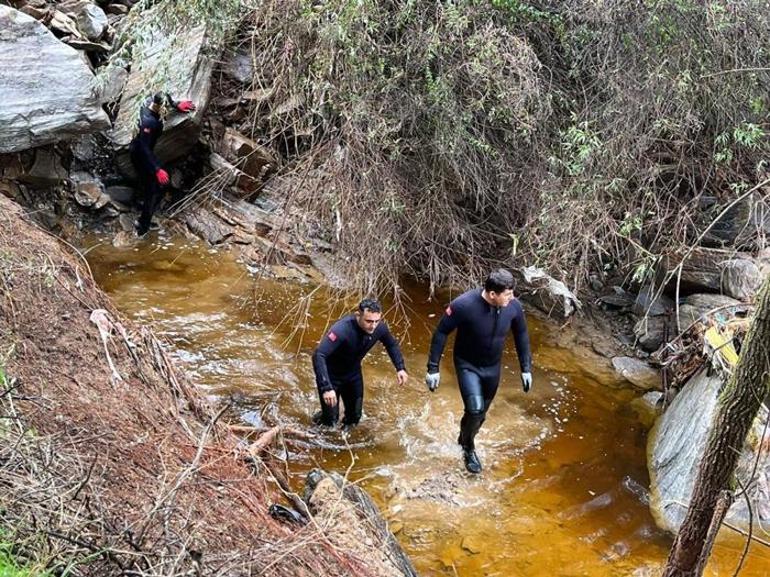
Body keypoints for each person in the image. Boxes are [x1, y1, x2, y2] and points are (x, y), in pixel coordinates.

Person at [425, 269, 533, 474]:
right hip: (468, 365)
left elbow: (521, 334)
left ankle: (463, 438)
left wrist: (526, 368)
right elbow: (441, 332)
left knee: (480, 415)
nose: (512, 297)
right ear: (493, 294)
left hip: (492, 368)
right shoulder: (464, 305)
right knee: (474, 409)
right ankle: (468, 449)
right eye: (507, 294)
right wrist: (433, 368)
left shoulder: (513, 307)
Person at [312, 298, 408, 428]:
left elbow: (391, 344)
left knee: (354, 417)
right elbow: (319, 355)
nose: (373, 326)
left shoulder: (379, 328)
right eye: (369, 321)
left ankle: (345, 438)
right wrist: (326, 388)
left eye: (376, 321)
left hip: (353, 375)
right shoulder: (342, 330)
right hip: (331, 376)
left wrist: (400, 367)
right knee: (330, 421)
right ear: (358, 315)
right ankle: (313, 424)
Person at [129, 92, 196, 236]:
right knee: (155, 188)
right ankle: (142, 225)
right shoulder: (148, 122)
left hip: (146, 148)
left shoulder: (149, 100)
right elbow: (144, 148)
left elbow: (163, 94)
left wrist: (176, 104)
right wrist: (156, 169)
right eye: (164, 108)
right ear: (157, 106)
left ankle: (140, 203)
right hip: (140, 153)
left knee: (157, 184)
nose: (166, 110)